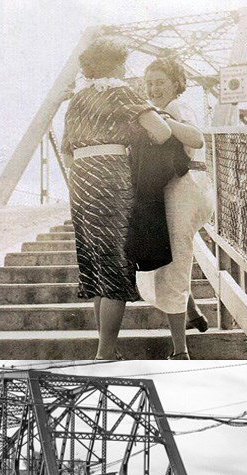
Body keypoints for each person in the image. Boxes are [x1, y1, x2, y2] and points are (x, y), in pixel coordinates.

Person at [62, 38, 172, 360]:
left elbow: (67, 152)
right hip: (110, 174)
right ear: (117, 64)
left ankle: (105, 348)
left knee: (96, 262)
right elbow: (162, 132)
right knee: (115, 260)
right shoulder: (122, 92)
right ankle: (105, 353)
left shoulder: (78, 99)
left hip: (81, 176)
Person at [134, 55, 214, 359]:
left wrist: (166, 121)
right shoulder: (170, 108)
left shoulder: (176, 109)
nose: (153, 88)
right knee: (175, 255)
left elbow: (196, 137)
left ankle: (180, 350)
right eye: (149, 83)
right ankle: (193, 311)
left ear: (175, 84)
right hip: (190, 186)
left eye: (160, 82)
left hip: (185, 188)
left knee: (174, 263)